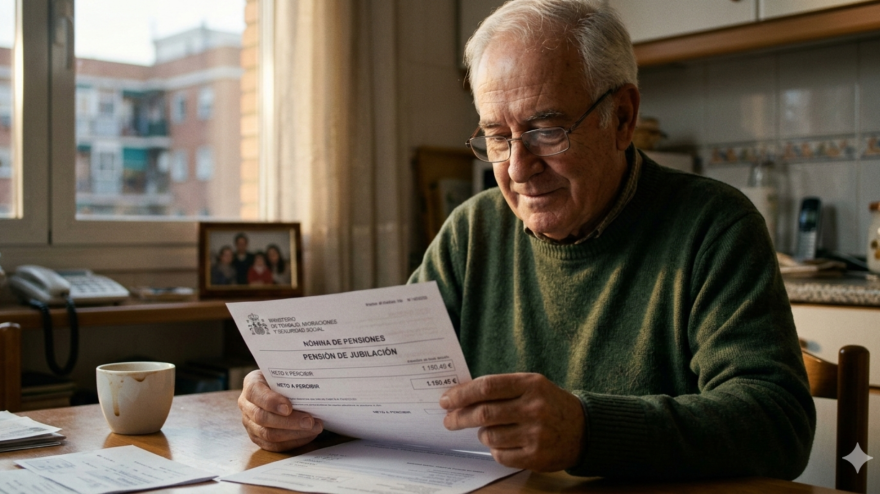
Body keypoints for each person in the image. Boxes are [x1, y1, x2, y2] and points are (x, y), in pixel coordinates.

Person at [237, 0, 815, 480]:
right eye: (497, 135)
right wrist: (293, 406)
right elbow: (386, 386)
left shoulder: (713, 226)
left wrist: (588, 430)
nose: (517, 167)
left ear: (621, 117)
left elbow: (778, 427)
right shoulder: (472, 230)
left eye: (546, 130)